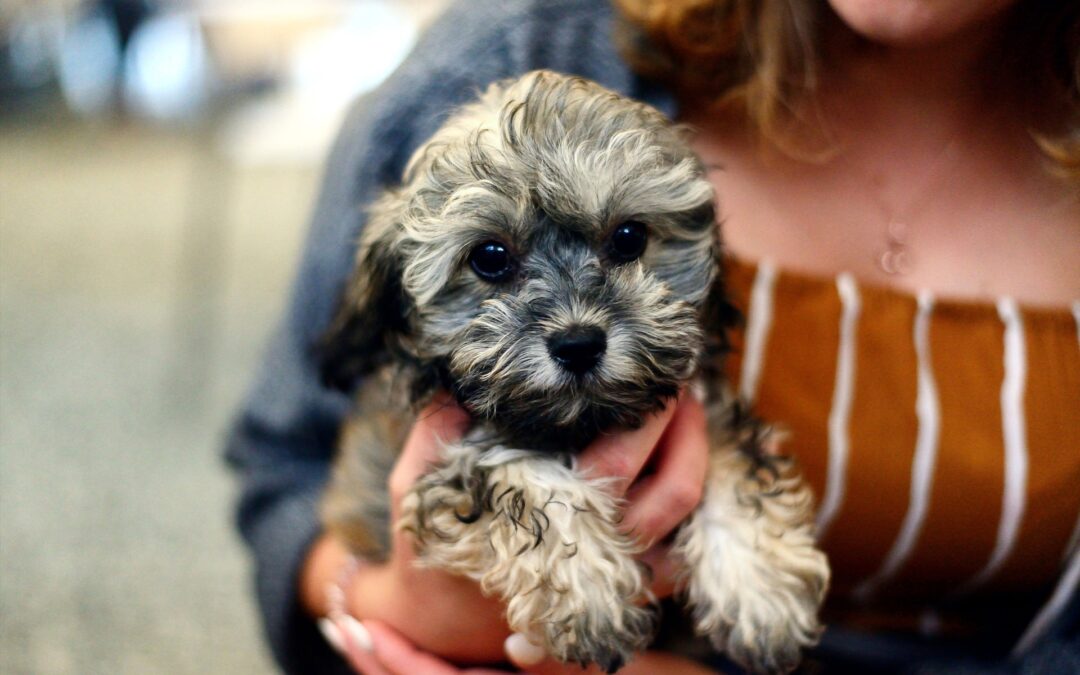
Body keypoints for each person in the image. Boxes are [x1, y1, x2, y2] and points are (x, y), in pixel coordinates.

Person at [224, 0, 1080, 673]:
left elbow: (729, 455)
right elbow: (283, 464)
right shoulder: (500, 48)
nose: (573, 320)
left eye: (625, 243)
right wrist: (371, 601)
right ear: (393, 293)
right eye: (493, 260)